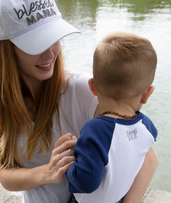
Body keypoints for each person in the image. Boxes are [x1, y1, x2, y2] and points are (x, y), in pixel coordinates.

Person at [0, 0, 158, 202]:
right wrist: (47, 173)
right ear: (6, 49)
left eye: (53, 37)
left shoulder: (84, 89)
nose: (50, 54)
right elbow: (5, 175)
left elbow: (146, 157)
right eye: (36, 44)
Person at [64, 32, 158, 203]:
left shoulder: (95, 129)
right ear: (147, 94)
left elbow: (86, 183)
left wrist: (69, 163)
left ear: (92, 86)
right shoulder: (148, 127)